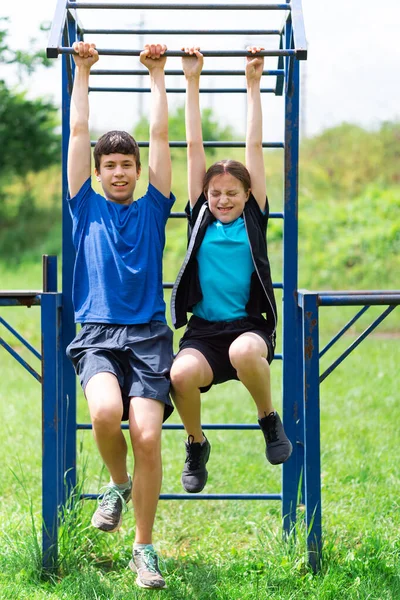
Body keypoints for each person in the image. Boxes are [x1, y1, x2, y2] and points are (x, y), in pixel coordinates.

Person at [66, 41, 174, 589]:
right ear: (97, 172)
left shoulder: (154, 208)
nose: (117, 172)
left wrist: (157, 75)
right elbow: (78, 133)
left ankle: (144, 549)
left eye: (126, 165)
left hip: (150, 335)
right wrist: (82, 72)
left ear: (137, 171)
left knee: (149, 437)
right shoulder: (84, 206)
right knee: (107, 415)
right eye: (108, 166)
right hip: (99, 334)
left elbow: (159, 138)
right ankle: (116, 482)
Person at [170, 47, 292, 495]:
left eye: (232, 193)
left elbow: (253, 146)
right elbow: (193, 150)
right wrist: (192, 80)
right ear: (205, 195)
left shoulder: (254, 218)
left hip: (247, 328)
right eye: (216, 192)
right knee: (180, 375)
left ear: (247, 195)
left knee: (244, 354)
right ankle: (196, 443)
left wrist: (254, 83)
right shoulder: (199, 215)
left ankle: (268, 419)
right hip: (203, 332)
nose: (223, 200)